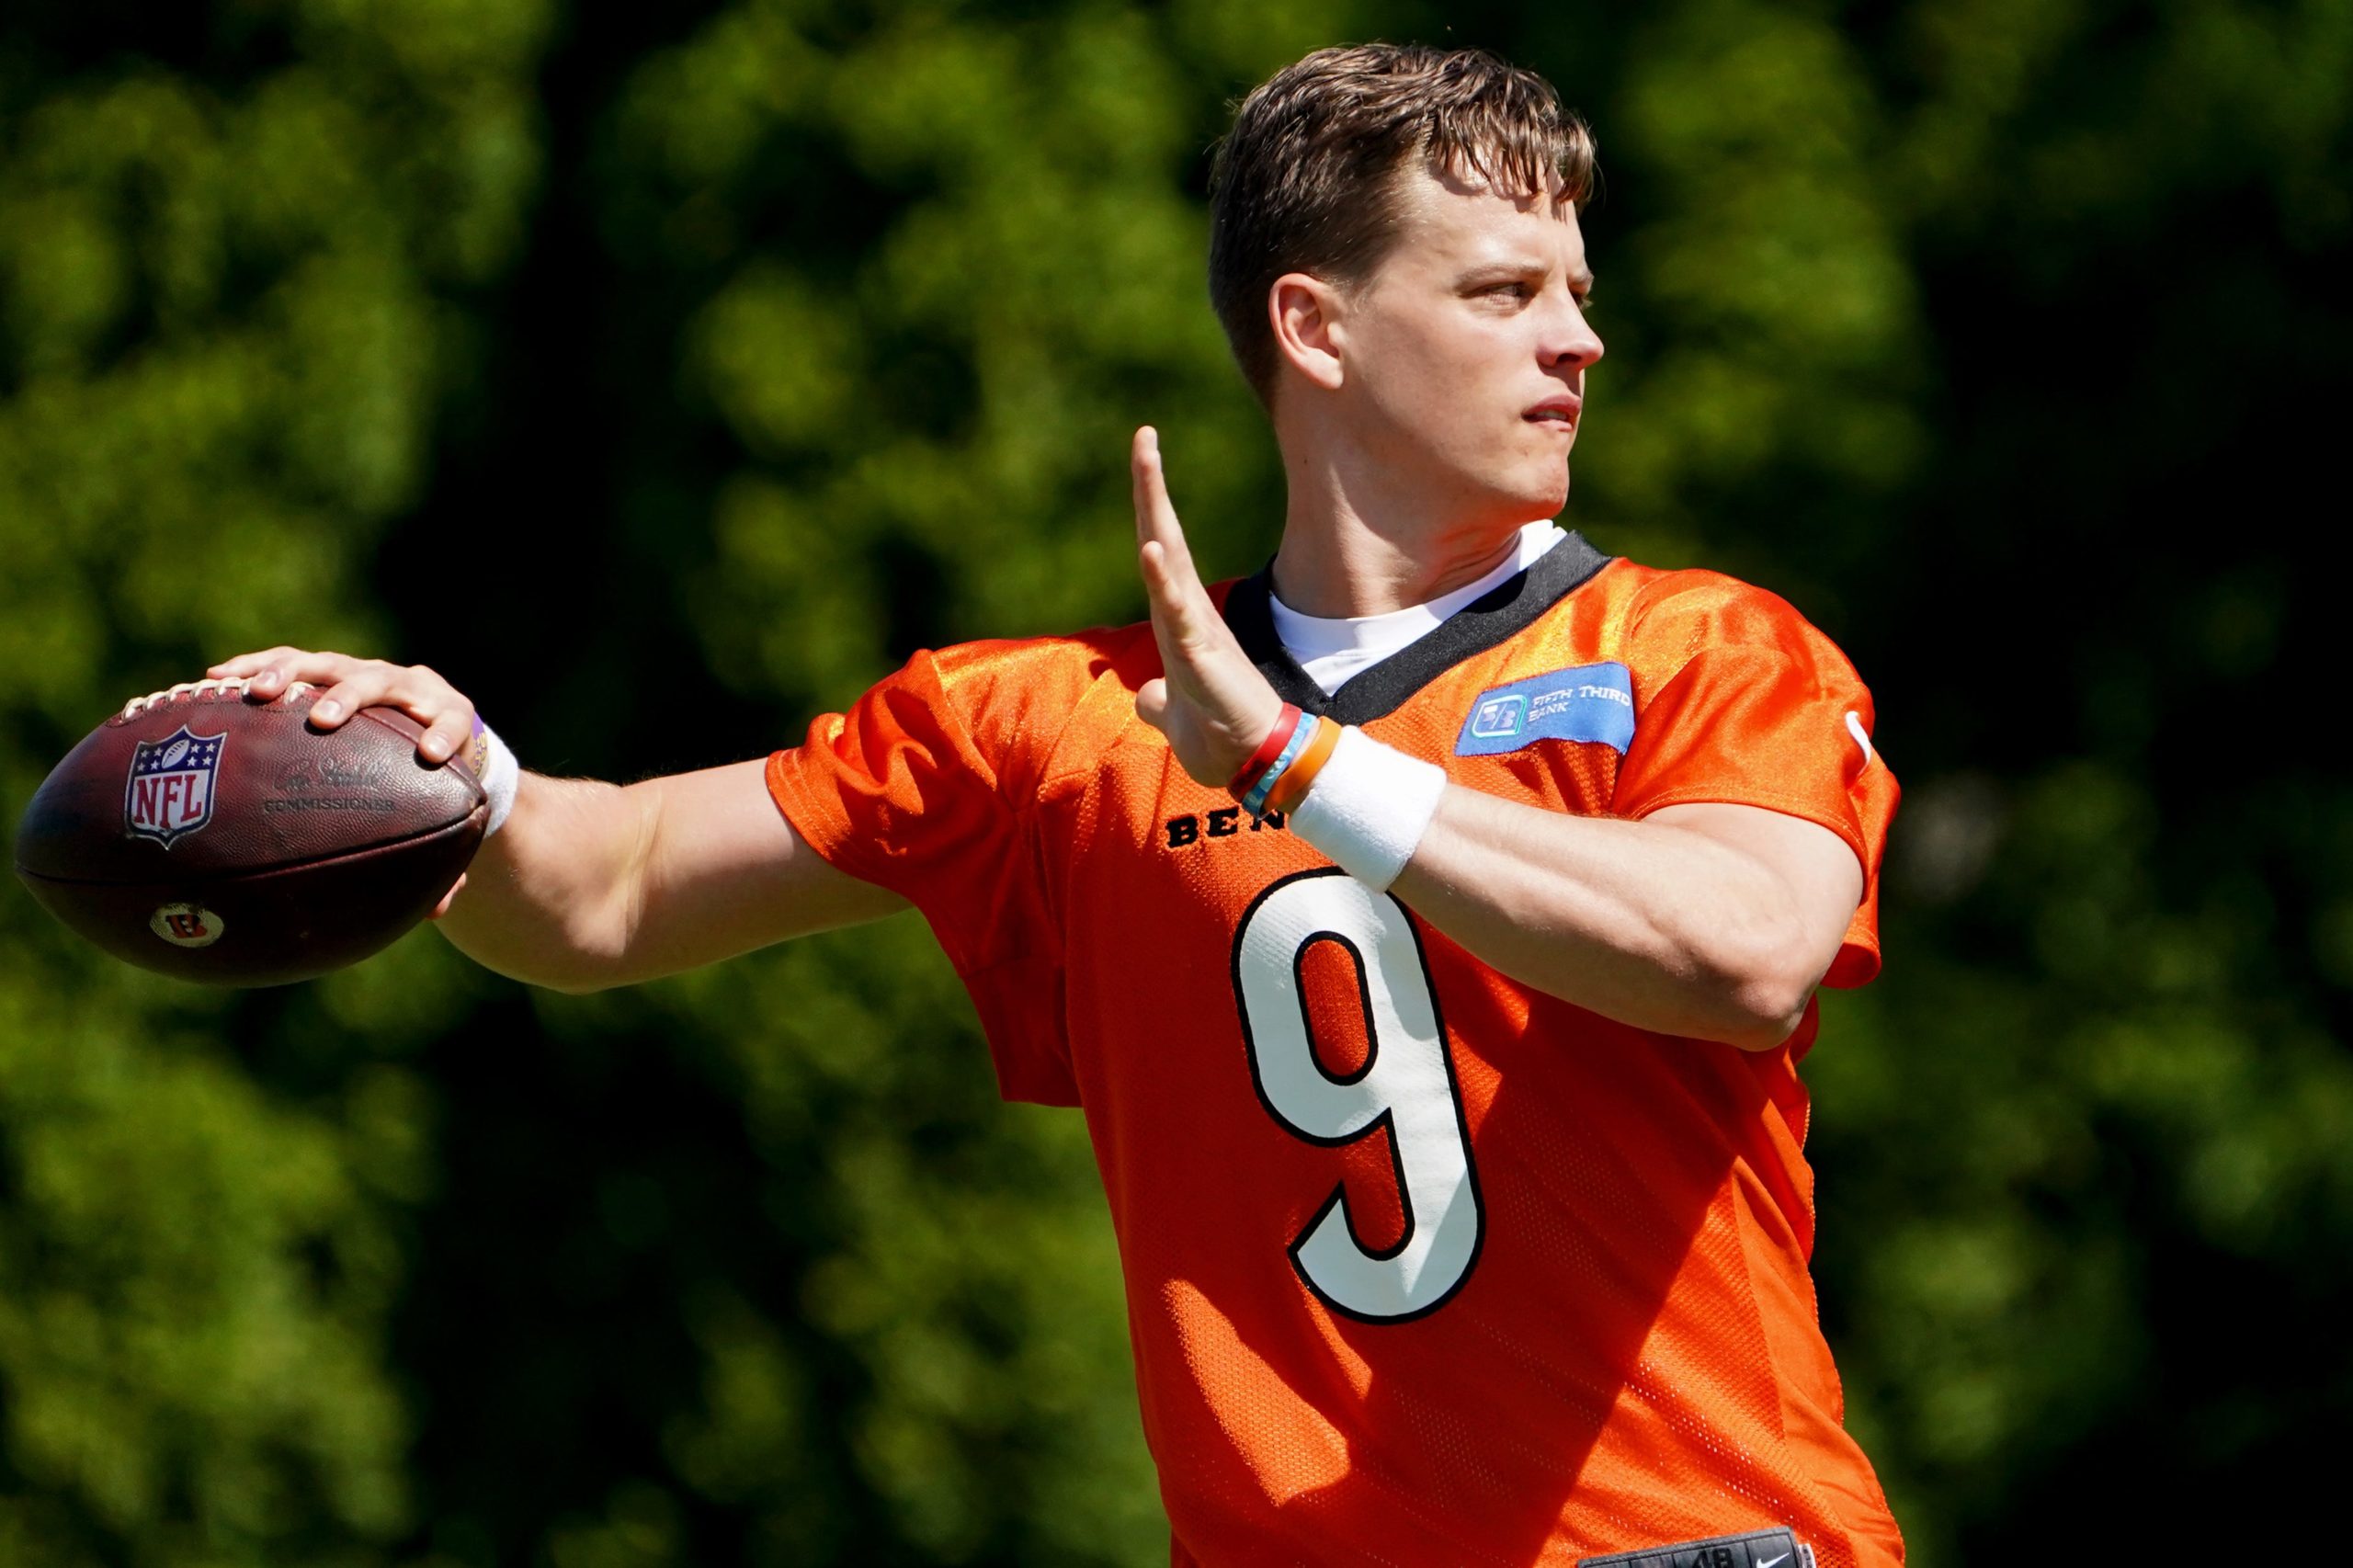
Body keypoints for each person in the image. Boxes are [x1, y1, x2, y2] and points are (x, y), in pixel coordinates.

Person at [207, 42, 1903, 1568]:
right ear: (1315, 327)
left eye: (1578, 288)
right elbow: (609, 887)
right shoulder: (1049, 719)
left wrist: (1300, 765)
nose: (1578, 338)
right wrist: (449, 770)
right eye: (1504, 290)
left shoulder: (1699, 647)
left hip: (1696, 1551)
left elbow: (1747, 948)